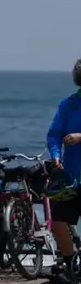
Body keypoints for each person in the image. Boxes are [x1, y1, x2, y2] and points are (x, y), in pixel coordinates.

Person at [46, 58, 81, 263]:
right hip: (70, 176)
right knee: (58, 219)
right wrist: (55, 155)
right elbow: (54, 134)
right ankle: (70, 262)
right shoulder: (68, 104)